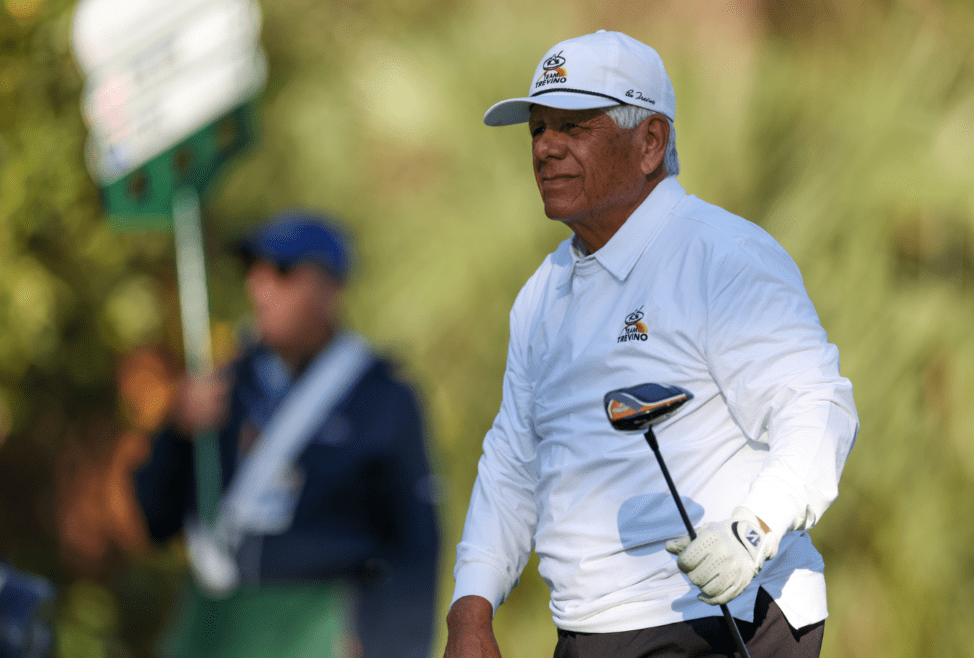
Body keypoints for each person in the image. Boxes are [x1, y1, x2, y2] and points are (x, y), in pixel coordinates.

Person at [443, 30, 858, 658]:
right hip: (589, 631)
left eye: (574, 125)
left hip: (726, 618)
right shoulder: (542, 294)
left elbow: (817, 407)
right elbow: (512, 464)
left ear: (649, 143)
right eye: (537, 129)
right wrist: (470, 614)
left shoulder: (722, 256)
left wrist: (754, 531)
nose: (546, 148)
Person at [134, 211, 440, 658]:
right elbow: (155, 520)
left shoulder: (383, 399)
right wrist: (177, 431)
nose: (259, 288)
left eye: (282, 270)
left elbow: (415, 546)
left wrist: (396, 648)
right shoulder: (220, 388)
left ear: (331, 286)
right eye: (252, 270)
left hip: (326, 629)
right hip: (220, 626)